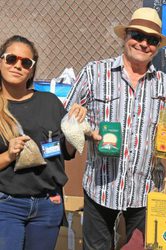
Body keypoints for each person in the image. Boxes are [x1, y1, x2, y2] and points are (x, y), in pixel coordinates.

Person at [64, 7, 166, 250]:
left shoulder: (165, 85)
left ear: (157, 46)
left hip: (145, 190)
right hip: (101, 187)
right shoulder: (95, 72)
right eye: (137, 35)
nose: (143, 43)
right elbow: (68, 119)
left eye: (151, 40)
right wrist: (87, 130)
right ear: (125, 36)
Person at [0, 35, 86, 250]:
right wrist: (9, 155)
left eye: (25, 62)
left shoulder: (49, 102)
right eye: (11, 59)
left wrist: (76, 127)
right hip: (6, 205)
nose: (18, 65)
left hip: (48, 205)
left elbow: (65, 151)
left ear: (31, 69)